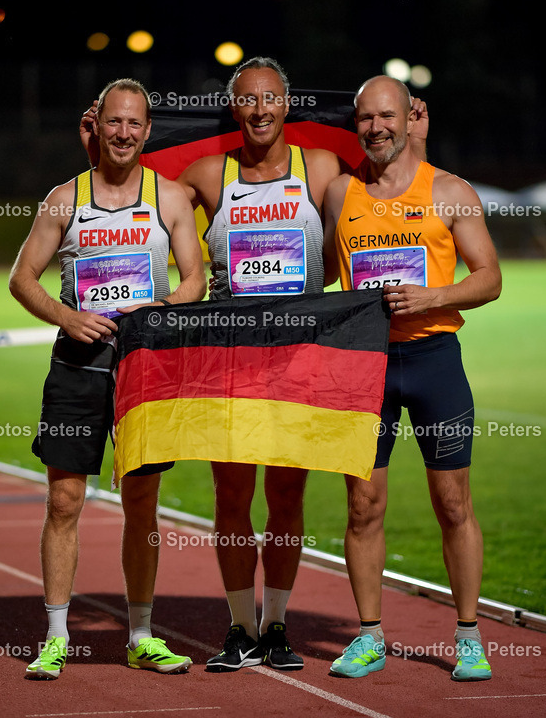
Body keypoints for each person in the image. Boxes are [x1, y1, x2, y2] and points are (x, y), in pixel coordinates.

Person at [81, 58, 429, 673]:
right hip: (232, 357)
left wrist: (417, 140)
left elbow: (385, 186)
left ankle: (276, 625)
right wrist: (93, 152)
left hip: (300, 355)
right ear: (234, 108)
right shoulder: (208, 175)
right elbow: (136, 198)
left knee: (287, 497)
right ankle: (240, 626)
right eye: (248, 99)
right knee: (233, 496)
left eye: (270, 98)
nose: (260, 109)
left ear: (287, 105)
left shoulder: (320, 169)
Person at [9, 78, 206, 680]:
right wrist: (67, 317)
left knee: (142, 503)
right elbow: (22, 278)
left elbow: (196, 280)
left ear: (148, 131)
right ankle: (56, 637)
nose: (123, 133)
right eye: (114, 122)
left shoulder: (170, 197)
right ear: (98, 126)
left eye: (133, 123)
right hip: (76, 368)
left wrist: (161, 307)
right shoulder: (64, 199)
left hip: (144, 372)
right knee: (64, 500)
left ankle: (141, 636)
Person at [322, 74, 501, 682]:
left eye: (387, 116)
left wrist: (433, 297)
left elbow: (490, 277)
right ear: (356, 125)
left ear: (408, 119)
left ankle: (469, 637)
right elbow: (324, 274)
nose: (376, 127)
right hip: (363, 365)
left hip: (433, 360)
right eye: (365, 118)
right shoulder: (340, 192)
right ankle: (369, 636)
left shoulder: (449, 191)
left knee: (453, 503)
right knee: (362, 505)